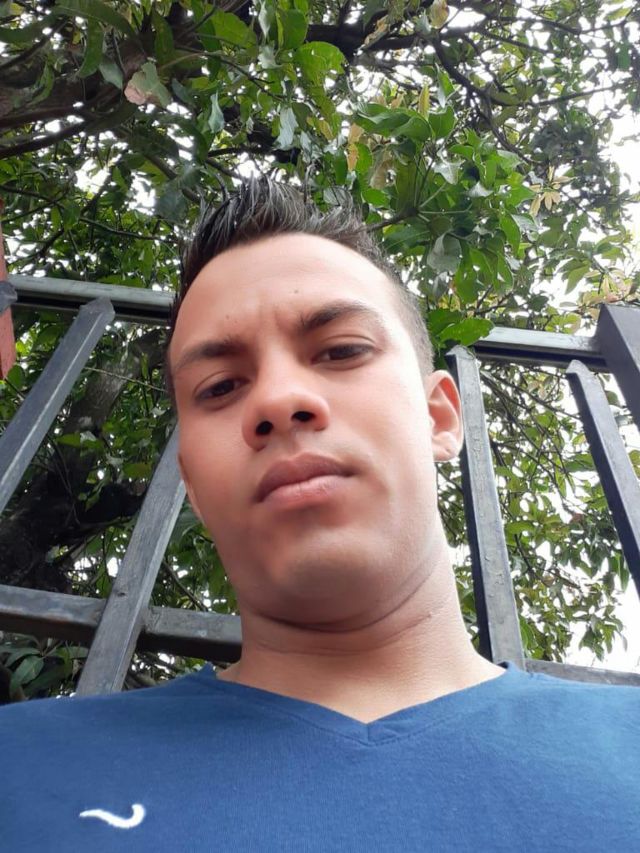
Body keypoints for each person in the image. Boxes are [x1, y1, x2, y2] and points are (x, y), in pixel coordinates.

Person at [2, 178, 638, 852]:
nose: (278, 400)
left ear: (439, 417)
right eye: (220, 386)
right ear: (192, 483)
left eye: (341, 350)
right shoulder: (21, 772)